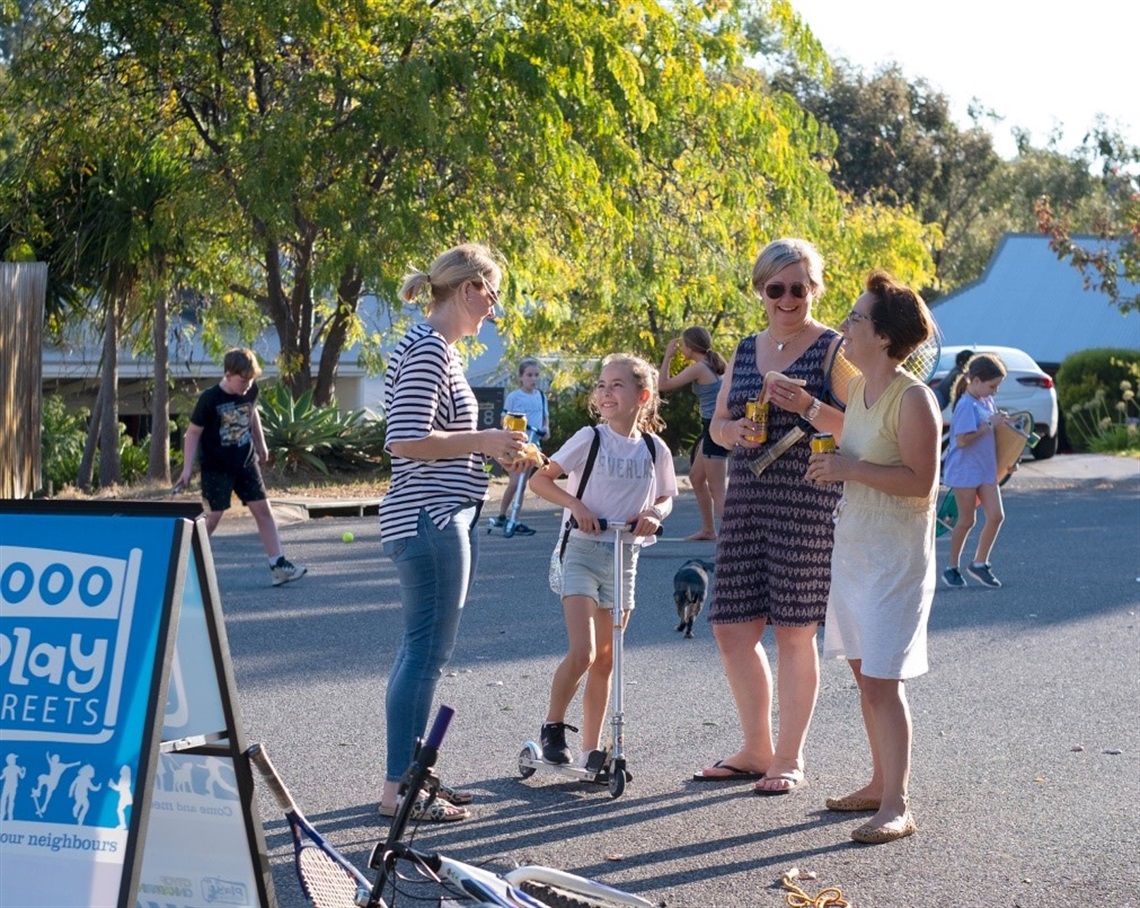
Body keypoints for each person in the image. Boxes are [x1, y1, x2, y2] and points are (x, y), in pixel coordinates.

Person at [377, 243, 527, 823]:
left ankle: (407, 781)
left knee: (419, 652)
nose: (493, 308)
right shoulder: (429, 351)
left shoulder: (436, 351)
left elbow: (430, 440)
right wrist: (484, 441)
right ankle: (399, 789)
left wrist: (493, 452)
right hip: (429, 518)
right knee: (424, 656)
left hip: (435, 514)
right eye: (492, 295)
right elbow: (405, 440)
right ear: (468, 289)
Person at [692, 238, 845, 794]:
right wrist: (732, 432)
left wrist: (806, 404)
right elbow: (719, 424)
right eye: (775, 288)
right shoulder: (746, 347)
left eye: (797, 288)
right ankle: (756, 747)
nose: (786, 298)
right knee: (731, 625)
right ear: (760, 290)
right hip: (748, 497)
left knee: (795, 632)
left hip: (806, 499)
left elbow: (860, 428)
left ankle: (788, 756)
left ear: (814, 290)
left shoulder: (834, 348)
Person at [805, 270, 942, 844]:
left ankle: (897, 805)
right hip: (855, 551)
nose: (845, 324)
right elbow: (854, 436)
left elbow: (921, 484)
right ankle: (879, 782)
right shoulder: (861, 389)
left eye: (857, 318)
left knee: (883, 681)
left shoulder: (915, 398)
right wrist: (811, 411)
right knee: (866, 676)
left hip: (896, 562)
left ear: (885, 336)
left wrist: (847, 468)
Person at [528, 353, 677, 767]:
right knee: (584, 652)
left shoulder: (653, 448)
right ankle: (553, 726)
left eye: (617, 385)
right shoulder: (589, 438)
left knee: (608, 658)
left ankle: (591, 747)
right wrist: (576, 506)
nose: (606, 392)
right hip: (581, 550)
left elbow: (665, 497)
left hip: (624, 554)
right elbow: (542, 479)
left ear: (642, 396)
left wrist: (653, 514)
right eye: (602, 385)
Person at [177, 347, 307, 586]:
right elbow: (193, 433)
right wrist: (186, 469)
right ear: (228, 374)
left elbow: (252, 412)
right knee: (213, 517)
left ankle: (278, 565)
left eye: (251, 379)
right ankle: (181, 563)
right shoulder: (210, 398)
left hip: (245, 463)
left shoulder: (251, 390)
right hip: (216, 467)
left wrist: (261, 443)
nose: (247, 385)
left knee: (264, 511)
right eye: (243, 380)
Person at [940, 353, 1009, 589]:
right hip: (965, 472)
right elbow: (962, 440)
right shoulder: (965, 405)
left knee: (996, 515)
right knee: (967, 520)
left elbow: (993, 434)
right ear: (976, 380)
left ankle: (980, 563)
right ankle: (951, 568)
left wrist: (1009, 459)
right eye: (992, 386)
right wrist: (989, 425)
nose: (995, 391)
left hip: (985, 469)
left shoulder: (985, 401)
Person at [659, 327, 728, 541]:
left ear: (691, 346)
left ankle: (734, 537)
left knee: (717, 489)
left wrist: (668, 357)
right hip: (711, 429)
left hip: (715, 430)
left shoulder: (701, 367)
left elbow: (664, 385)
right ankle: (709, 530)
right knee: (696, 478)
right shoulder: (713, 363)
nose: (681, 350)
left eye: (683, 346)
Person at [489, 357, 550, 535]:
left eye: (536, 375)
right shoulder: (514, 396)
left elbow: (545, 417)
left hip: (533, 444)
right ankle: (502, 515)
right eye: (529, 375)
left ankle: (516, 518)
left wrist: (546, 429)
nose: (533, 379)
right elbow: (504, 419)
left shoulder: (541, 396)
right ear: (521, 377)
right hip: (517, 445)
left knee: (523, 484)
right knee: (515, 482)